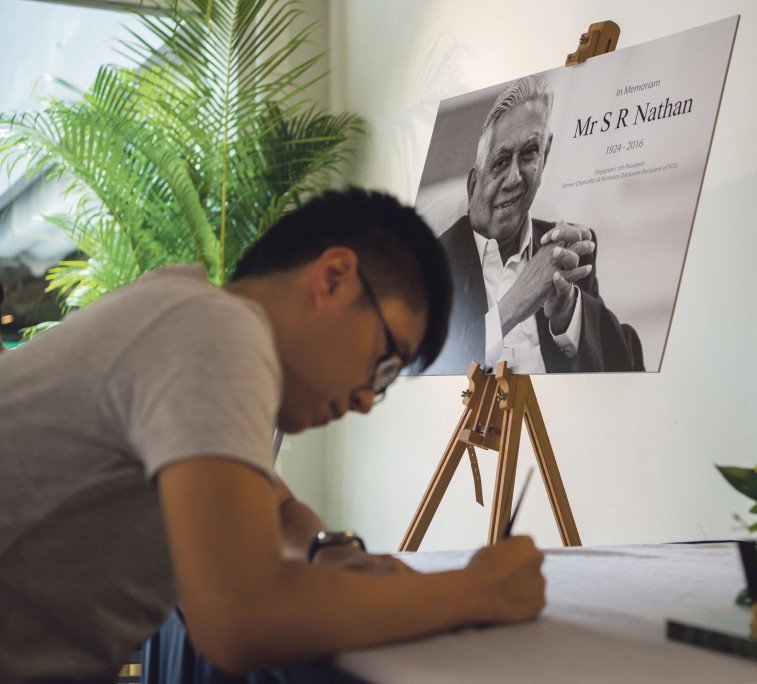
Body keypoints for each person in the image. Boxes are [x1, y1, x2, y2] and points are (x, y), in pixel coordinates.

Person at [0, 188, 546, 682]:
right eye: (384, 363)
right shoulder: (217, 331)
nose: (363, 400)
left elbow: (276, 504)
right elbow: (241, 618)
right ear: (333, 278)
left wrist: (332, 552)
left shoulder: (194, 317)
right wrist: (478, 591)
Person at [429, 75, 644, 375]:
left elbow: (626, 367)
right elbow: (427, 370)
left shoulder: (567, 253)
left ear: (546, 155)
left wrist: (568, 315)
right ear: (473, 184)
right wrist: (514, 304)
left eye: (530, 153)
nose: (515, 178)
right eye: (501, 162)